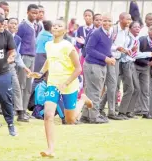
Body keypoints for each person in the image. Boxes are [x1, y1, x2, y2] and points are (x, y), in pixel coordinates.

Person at [28, 19, 93, 157]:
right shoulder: (48, 45)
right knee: (48, 114)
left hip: (69, 84)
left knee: (70, 120)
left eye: (60, 26)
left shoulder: (68, 46)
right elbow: (49, 60)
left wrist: (66, 83)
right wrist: (40, 72)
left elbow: (78, 68)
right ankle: (50, 149)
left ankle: (82, 100)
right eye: (54, 25)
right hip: (53, 84)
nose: (56, 26)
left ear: (64, 31)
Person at [80, 14, 115, 124]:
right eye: (104, 21)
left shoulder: (109, 34)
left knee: (92, 91)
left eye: (109, 21)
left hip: (101, 65)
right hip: (93, 65)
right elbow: (89, 49)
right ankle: (94, 117)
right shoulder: (96, 33)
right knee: (95, 91)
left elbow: (106, 49)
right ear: (101, 22)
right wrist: (105, 58)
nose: (106, 23)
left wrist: (111, 56)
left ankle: (85, 116)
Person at [99, 12, 132, 120]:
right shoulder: (114, 29)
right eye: (128, 19)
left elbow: (121, 46)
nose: (130, 21)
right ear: (121, 19)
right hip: (110, 59)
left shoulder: (125, 31)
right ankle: (111, 113)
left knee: (113, 86)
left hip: (117, 60)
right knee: (112, 85)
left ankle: (100, 108)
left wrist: (126, 51)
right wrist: (117, 48)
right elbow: (108, 44)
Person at [135, 25, 152, 119]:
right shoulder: (141, 40)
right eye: (151, 29)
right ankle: (134, 110)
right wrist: (147, 62)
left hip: (146, 68)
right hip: (136, 65)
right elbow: (136, 55)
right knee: (136, 88)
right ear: (148, 31)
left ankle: (145, 111)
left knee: (145, 90)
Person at [17, 4, 39, 118]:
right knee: (22, 84)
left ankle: (24, 110)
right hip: (24, 56)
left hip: (32, 57)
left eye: (36, 13)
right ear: (27, 12)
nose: (34, 15)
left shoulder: (35, 25)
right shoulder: (23, 26)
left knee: (28, 85)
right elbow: (16, 41)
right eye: (33, 13)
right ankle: (19, 110)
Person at [8, 17, 31, 122]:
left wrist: (25, 68)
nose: (13, 25)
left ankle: (20, 113)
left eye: (15, 24)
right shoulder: (3, 36)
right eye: (11, 23)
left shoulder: (18, 39)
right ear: (7, 24)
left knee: (17, 88)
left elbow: (17, 56)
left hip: (10, 66)